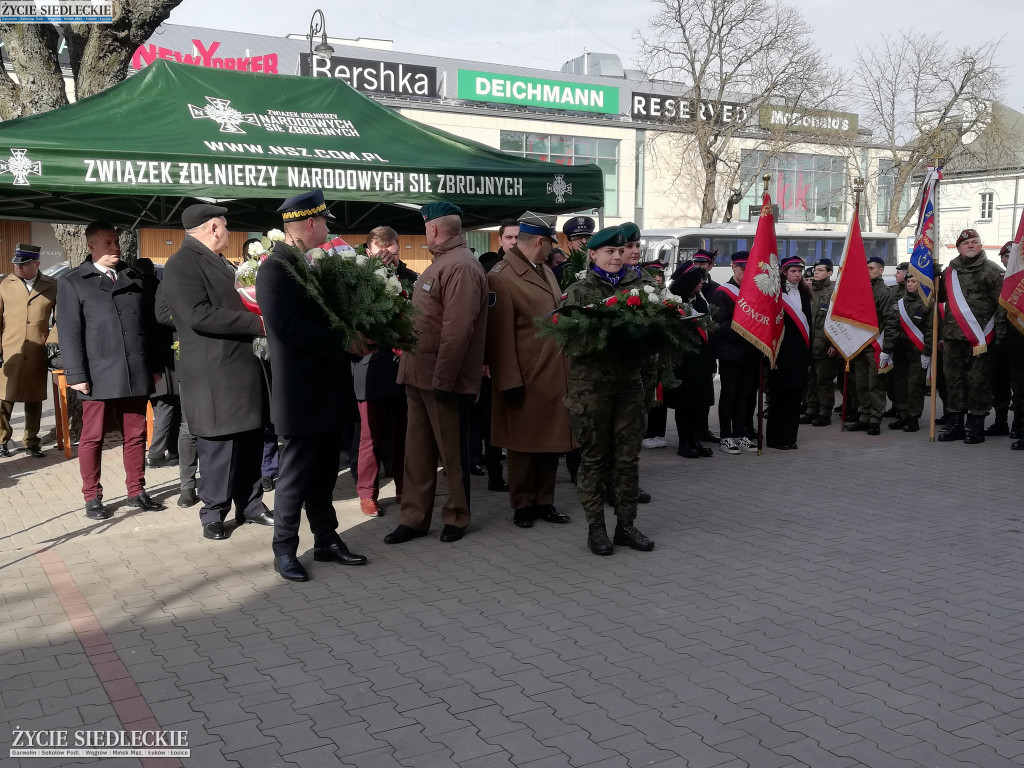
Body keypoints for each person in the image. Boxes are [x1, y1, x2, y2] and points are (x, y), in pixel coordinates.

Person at [258, 189, 368, 581]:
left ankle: (325, 539)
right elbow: (287, 328)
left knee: (322, 472)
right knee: (295, 475)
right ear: (309, 223)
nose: (326, 229)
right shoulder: (274, 268)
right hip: (301, 392)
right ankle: (284, 548)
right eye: (323, 222)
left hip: (325, 388)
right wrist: (345, 341)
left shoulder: (307, 265)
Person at [162, 204, 274, 541]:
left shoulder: (222, 261)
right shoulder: (182, 263)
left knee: (250, 439)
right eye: (225, 226)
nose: (228, 232)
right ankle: (214, 511)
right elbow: (198, 314)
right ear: (213, 228)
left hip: (242, 368)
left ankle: (251, 504)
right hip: (214, 371)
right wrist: (258, 323)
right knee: (219, 445)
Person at [384, 202, 488, 545]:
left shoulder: (460, 266)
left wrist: (444, 380)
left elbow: (458, 331)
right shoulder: (444, 263)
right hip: (419, 375)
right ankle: (414, 518)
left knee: (452, 454)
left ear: (433, 229)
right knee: (417, 452)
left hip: (442, 380)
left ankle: (457, 516)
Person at [56, 221, 165, 519]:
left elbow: (149, 328)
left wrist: (154, 366)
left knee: (136, 433)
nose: (115, 247)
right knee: (93, 437)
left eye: (116, 241)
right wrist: (76, 375)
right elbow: (69, 332)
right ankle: (92, 496)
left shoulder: (134, 277)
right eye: (108, 242)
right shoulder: (74, 281)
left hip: (134, 370)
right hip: (97, 374)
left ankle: (136, 489)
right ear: (91, 246)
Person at [561, 225, 655, 556]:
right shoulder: (579, 292)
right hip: (591, 390)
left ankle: (626, 525)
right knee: (595, 460)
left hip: (629, 385)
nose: (616, 257)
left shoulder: (643, 288)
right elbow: (570, 342)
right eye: (609, 252)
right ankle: (596, 528)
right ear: (594, 255)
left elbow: (658, 332)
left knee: (628, 460)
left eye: (620, 251)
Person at [485, 211, 575, 529]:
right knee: (523, 446)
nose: (552, 248)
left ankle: (544, 501)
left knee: (550, 444)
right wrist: (508, 380)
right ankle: (522, 503)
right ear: (539, 241)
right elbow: (499, 336)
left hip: (552, 374)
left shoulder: (544, 270)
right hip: (525, 376)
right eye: (550, 242)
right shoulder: (501, 276)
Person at [352, 225, 416, 516]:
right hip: (372, 367)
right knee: (370, 437)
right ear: (369, 252)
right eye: (381, 253)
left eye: (394, 252)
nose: (389, 259)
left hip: (405, 366)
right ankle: (367, 493)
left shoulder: (412, 279)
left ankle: (405, 488)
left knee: (406, 434)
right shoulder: (358, 282)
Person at [937, 228, 1004, 443]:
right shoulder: (949, 272)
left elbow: (1001, 306)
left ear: (981, 245)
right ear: (958, 248)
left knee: (978, 381)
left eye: (975, 242)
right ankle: (956, 424)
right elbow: (940, 303)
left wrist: (999, 335)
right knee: (953, 380)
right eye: (966, 243)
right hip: (952, 337)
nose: (971, 246)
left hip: (981, 337)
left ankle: (975, 426)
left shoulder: (992, 270)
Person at [0, 243, 58, 458]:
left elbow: (60, 318)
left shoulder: (52, 285)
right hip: (11, 350)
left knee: (34, 398)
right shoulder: (5, 285)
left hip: (37, 350)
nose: (18, 268)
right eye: (16, 264)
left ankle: (32, 441)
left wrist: (53, 341)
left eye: (23, 264)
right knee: (4, 398)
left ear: (36, 264)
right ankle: (2, 439)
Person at [153, 281, 199, 507]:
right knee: (189, 425)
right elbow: (162, 314)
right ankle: (187, 485)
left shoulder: (222, 268)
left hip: (219, 358)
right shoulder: (176, 271)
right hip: (187, 358)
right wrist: (199, 317)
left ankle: (213, 479)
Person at [663, 262, 715, 458]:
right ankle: (684, 442)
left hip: (701, 362)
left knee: (700, 404)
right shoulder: (673, 302)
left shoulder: (700, 301)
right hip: (682, 363)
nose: (702, 283)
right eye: (698, 280)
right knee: (685, 405)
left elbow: (709, 331)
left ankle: (695, 440)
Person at [712, 252, 760, 455]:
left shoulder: (754, 292)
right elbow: (720, 325)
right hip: (731, 353)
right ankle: (726, 437)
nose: (745, 272)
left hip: (750, 353)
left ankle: (740, 434)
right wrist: (747, 332)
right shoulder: (723, 292)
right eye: (742, 268)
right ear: (733, 267)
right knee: (729, 395)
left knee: (744, 396)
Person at [136, 258, 180, 468]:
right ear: (153, 272)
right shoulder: (158, 287)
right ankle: (157, 452)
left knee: (164, 403)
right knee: (167, 403)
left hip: (151, 353)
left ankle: (171, 451)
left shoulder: (136, 290)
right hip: (165, 354)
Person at [846, 255, 896, 435]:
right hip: (859, 346)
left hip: (877, 346)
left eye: (871, 269)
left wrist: (887, 349)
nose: (868, 272)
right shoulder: (860, 290)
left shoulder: (884, 292)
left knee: (875, 385)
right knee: (861, 384)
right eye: (866, 268)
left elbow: (892, 321)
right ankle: (864, 416)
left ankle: (875, 419)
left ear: (881, 270)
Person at [767, 255, 812, 450]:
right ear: (784, 273)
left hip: (799, 353)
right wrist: (772, 354)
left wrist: (808, 356)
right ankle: (776, 438)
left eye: (800, 271)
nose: (797, 275)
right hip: (781, 353)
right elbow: (770, 326)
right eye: (793, 271)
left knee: (795, 397)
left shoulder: (804, 293)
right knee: (779, 397)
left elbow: (809, 326)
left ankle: (790, 437)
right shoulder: (776, 294)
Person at [883, 273, 933, 432]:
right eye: (908, 281)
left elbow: (931, 330)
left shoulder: (927, 304)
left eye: (914, 281)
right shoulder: (899, 303)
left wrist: (927, 351)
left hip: (917, 353)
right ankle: (903, 414)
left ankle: (913, 418)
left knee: (914, 387)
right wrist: (887, 349)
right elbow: (891, 326)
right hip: (900, 352)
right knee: (900, 386)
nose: (910, 284)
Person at [989, 241, 1024, 439]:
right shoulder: (998, 279)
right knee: (999, 382)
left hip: (1019, 337)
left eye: (1012, 257)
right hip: (999, 337)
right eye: (1005, 257)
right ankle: (1000, 422)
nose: (1008, 260)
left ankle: (1019, 424)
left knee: (1020, 383)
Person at [801, 258, 840, 427]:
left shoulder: (834, 292)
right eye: (815, 269)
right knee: (811, 381)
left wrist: (835, 344)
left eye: (821, 270)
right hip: (809, 345)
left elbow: (839, 322)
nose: (816, 272)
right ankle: (811, 410)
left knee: (824, 381)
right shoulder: (808, 291)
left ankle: (824, 412)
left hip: (826, 346)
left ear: (829, 273)